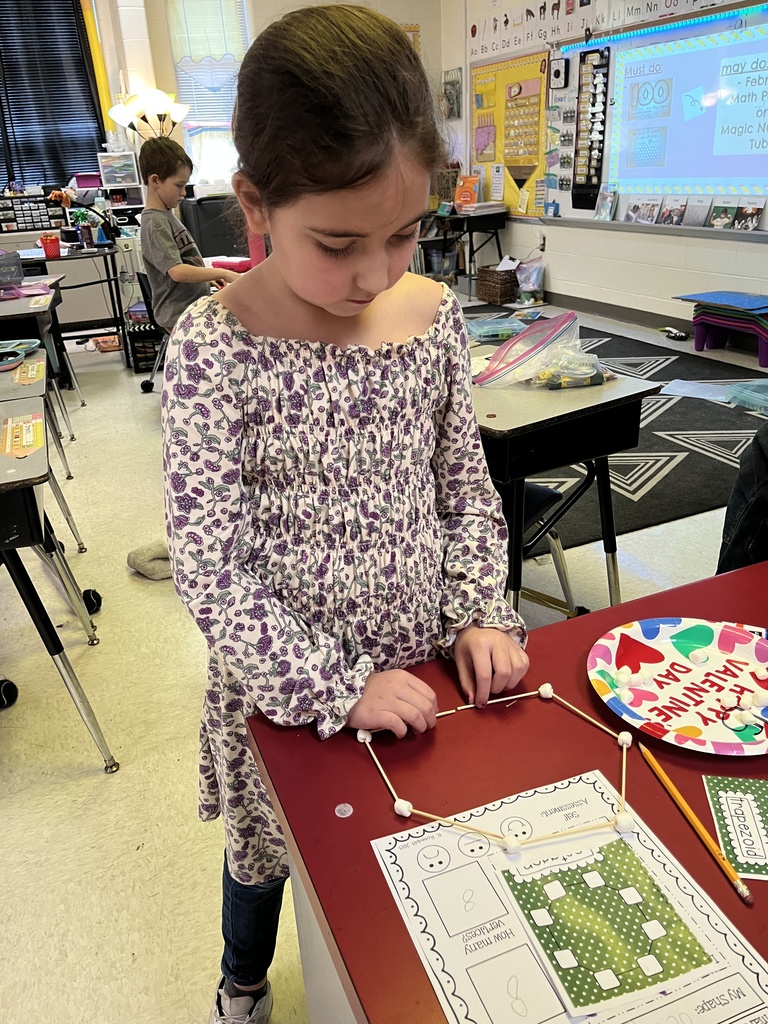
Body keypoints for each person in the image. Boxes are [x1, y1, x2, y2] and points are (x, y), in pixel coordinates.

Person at [161, 8, 529, 1023]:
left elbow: (465, 489)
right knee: (266, 858)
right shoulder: (213, 348)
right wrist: (334, 684)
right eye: (338, 242)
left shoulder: (435, 316)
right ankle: (241, 977)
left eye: (403, 234)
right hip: (287, 695)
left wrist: (482, 611)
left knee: (401, 851)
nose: (375, 272)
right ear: (255, 207)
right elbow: (211, 569)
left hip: (422, 670)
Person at [138, 137, 239, 333]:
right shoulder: (155, 224)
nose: (184, 192)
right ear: (155, 181)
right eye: (178, 185)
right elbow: (177, 272)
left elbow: (184, 262)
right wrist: (223, 272)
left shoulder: (165, 216)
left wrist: (204, 278)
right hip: (179, 314)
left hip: (190, 308)